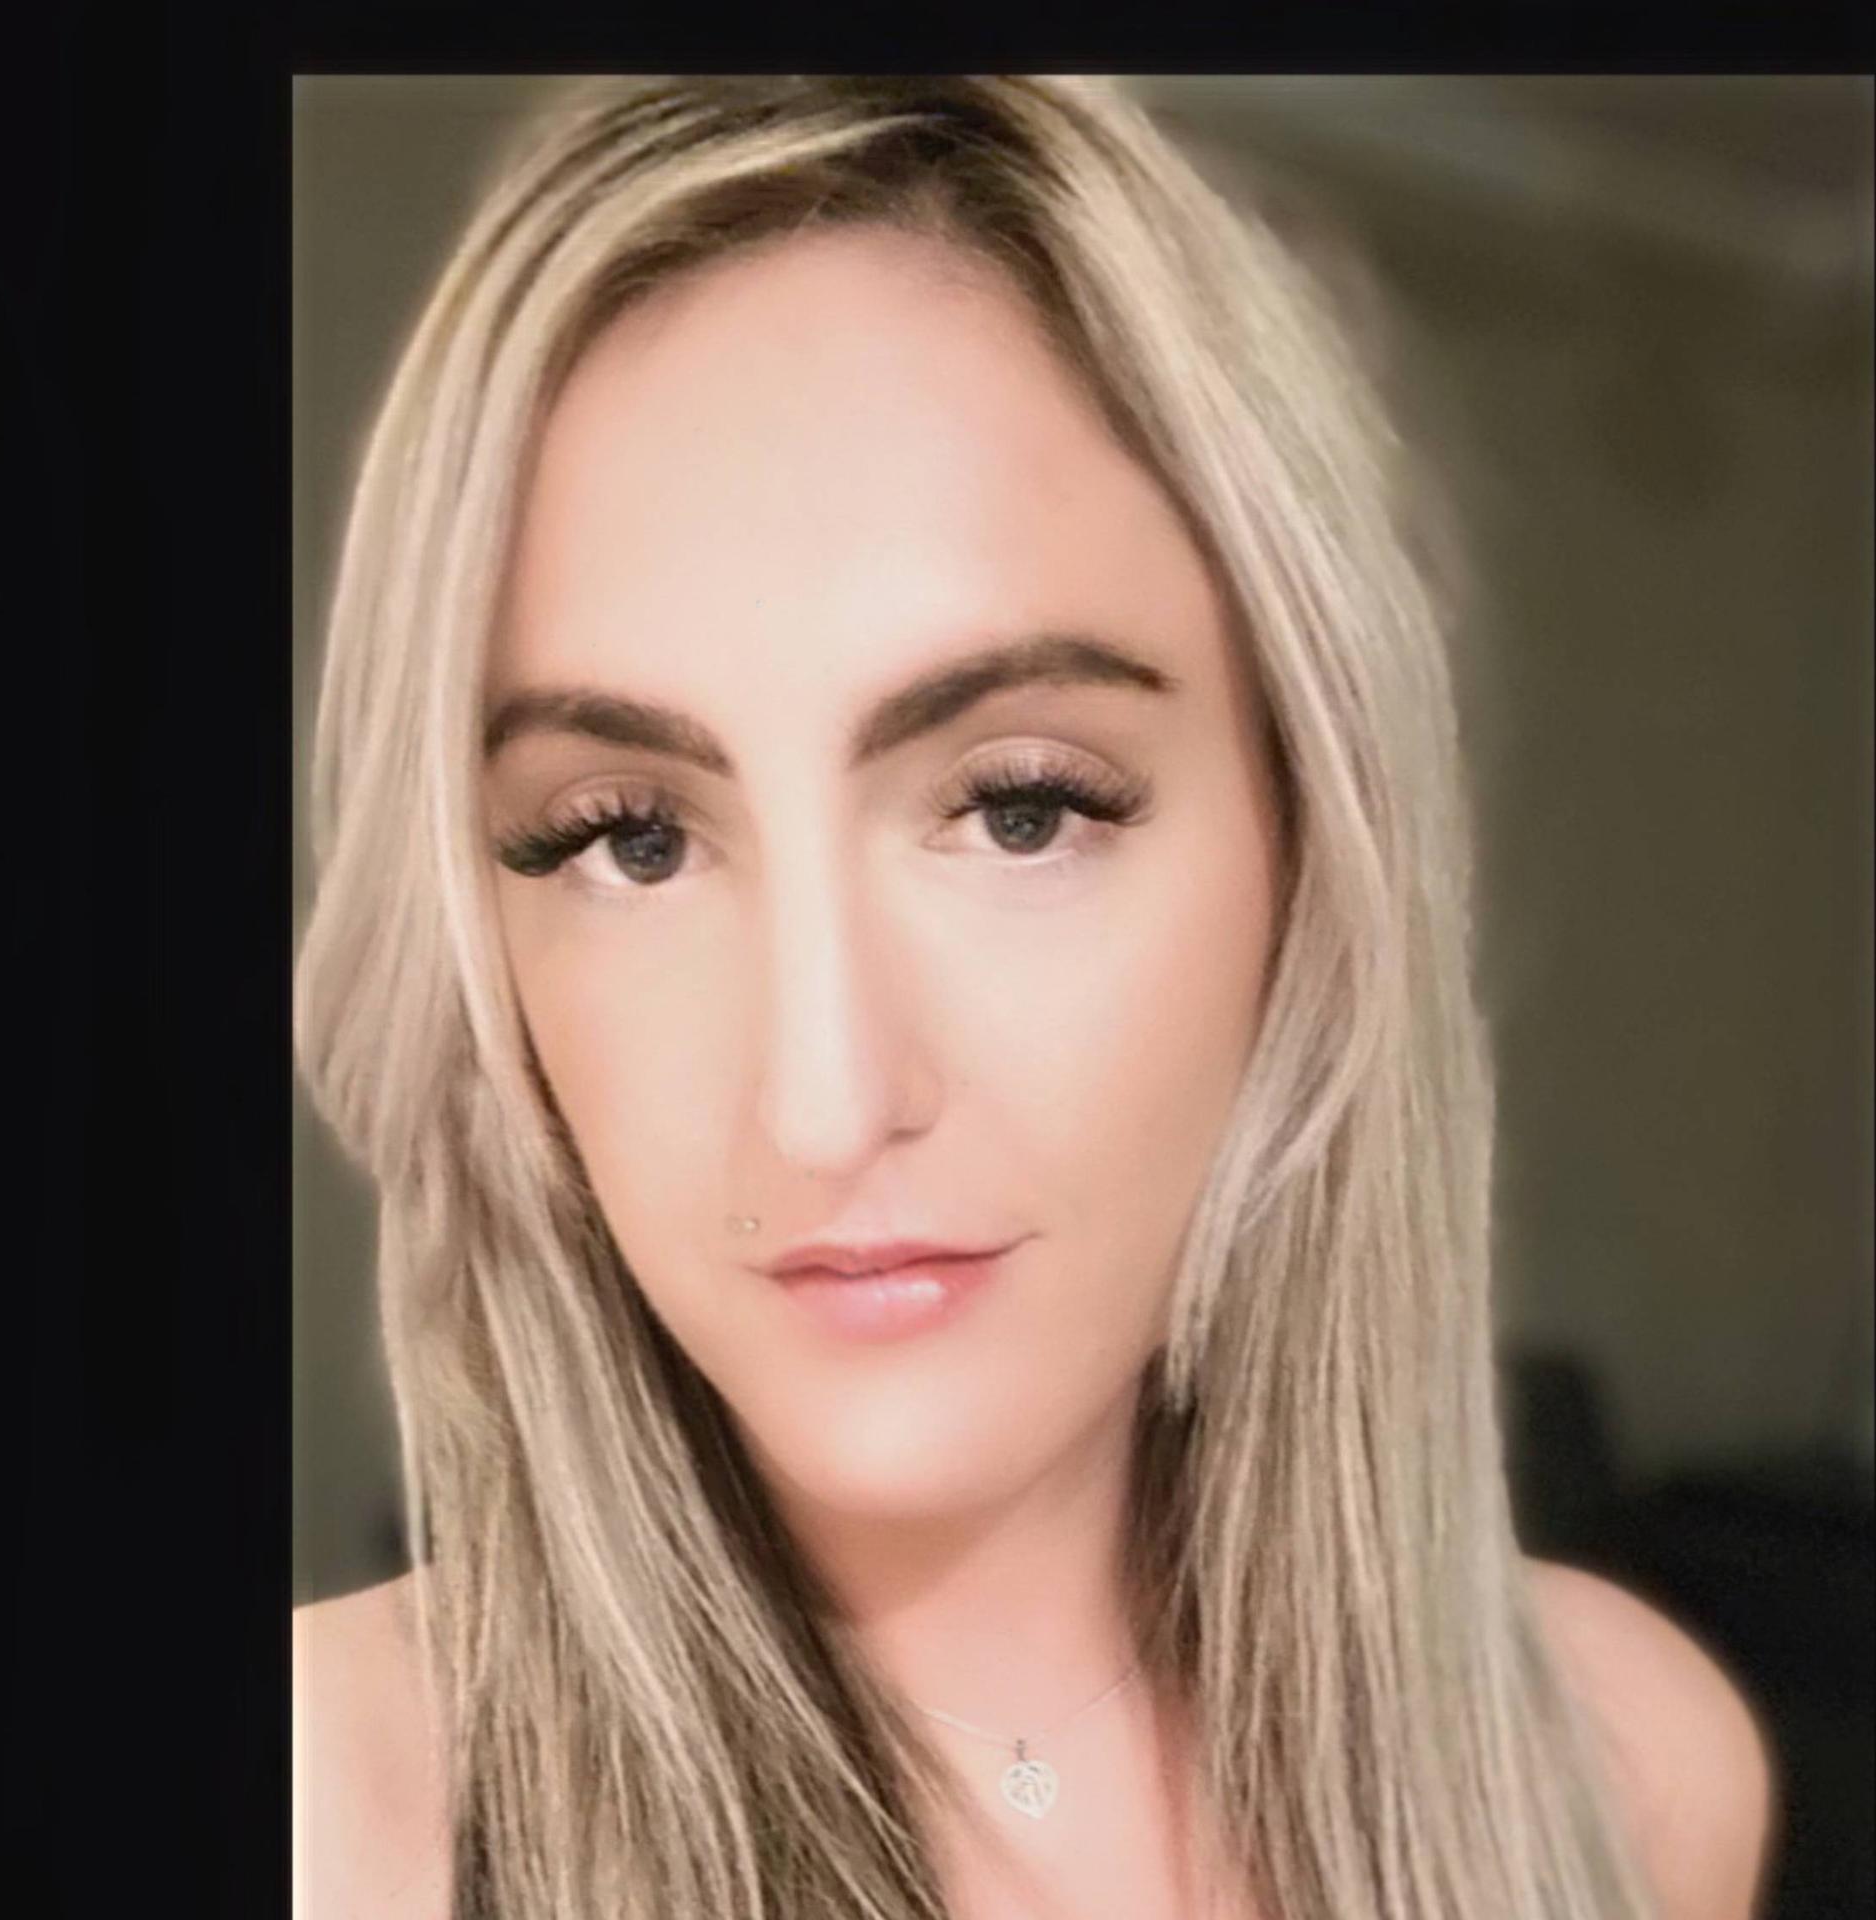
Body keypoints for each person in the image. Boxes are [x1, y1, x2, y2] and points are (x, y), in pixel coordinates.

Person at [291, 75, 1775, 1920]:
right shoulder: (320, 1825)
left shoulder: (1626, 1773)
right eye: (630, 840)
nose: (826, 1100)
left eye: (1020, 809)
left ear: (1312, 854)